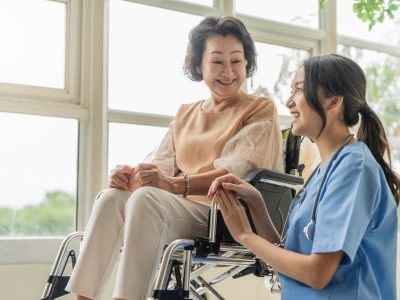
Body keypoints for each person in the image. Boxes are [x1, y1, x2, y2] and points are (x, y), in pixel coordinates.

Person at [66, 16, 283, 300]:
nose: (228, 71)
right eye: (217, 61)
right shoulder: (185, 113)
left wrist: (172, 185)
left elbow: (233, 175)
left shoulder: (259, 109)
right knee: (111, 197)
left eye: (237, 61)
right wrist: (129, 176)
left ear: (247, 64)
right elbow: (161, 168)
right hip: (176, 208)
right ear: (198, 66)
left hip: (223, 215)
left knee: (146, 199)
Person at [209, 54, 399, 300]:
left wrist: (245, 235)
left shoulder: (354, 168)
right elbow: (288, 255)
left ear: (334, 101)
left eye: (299, 89)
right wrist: (256, 203)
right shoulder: (323, 171)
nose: (288, 101)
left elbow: (318, 273)